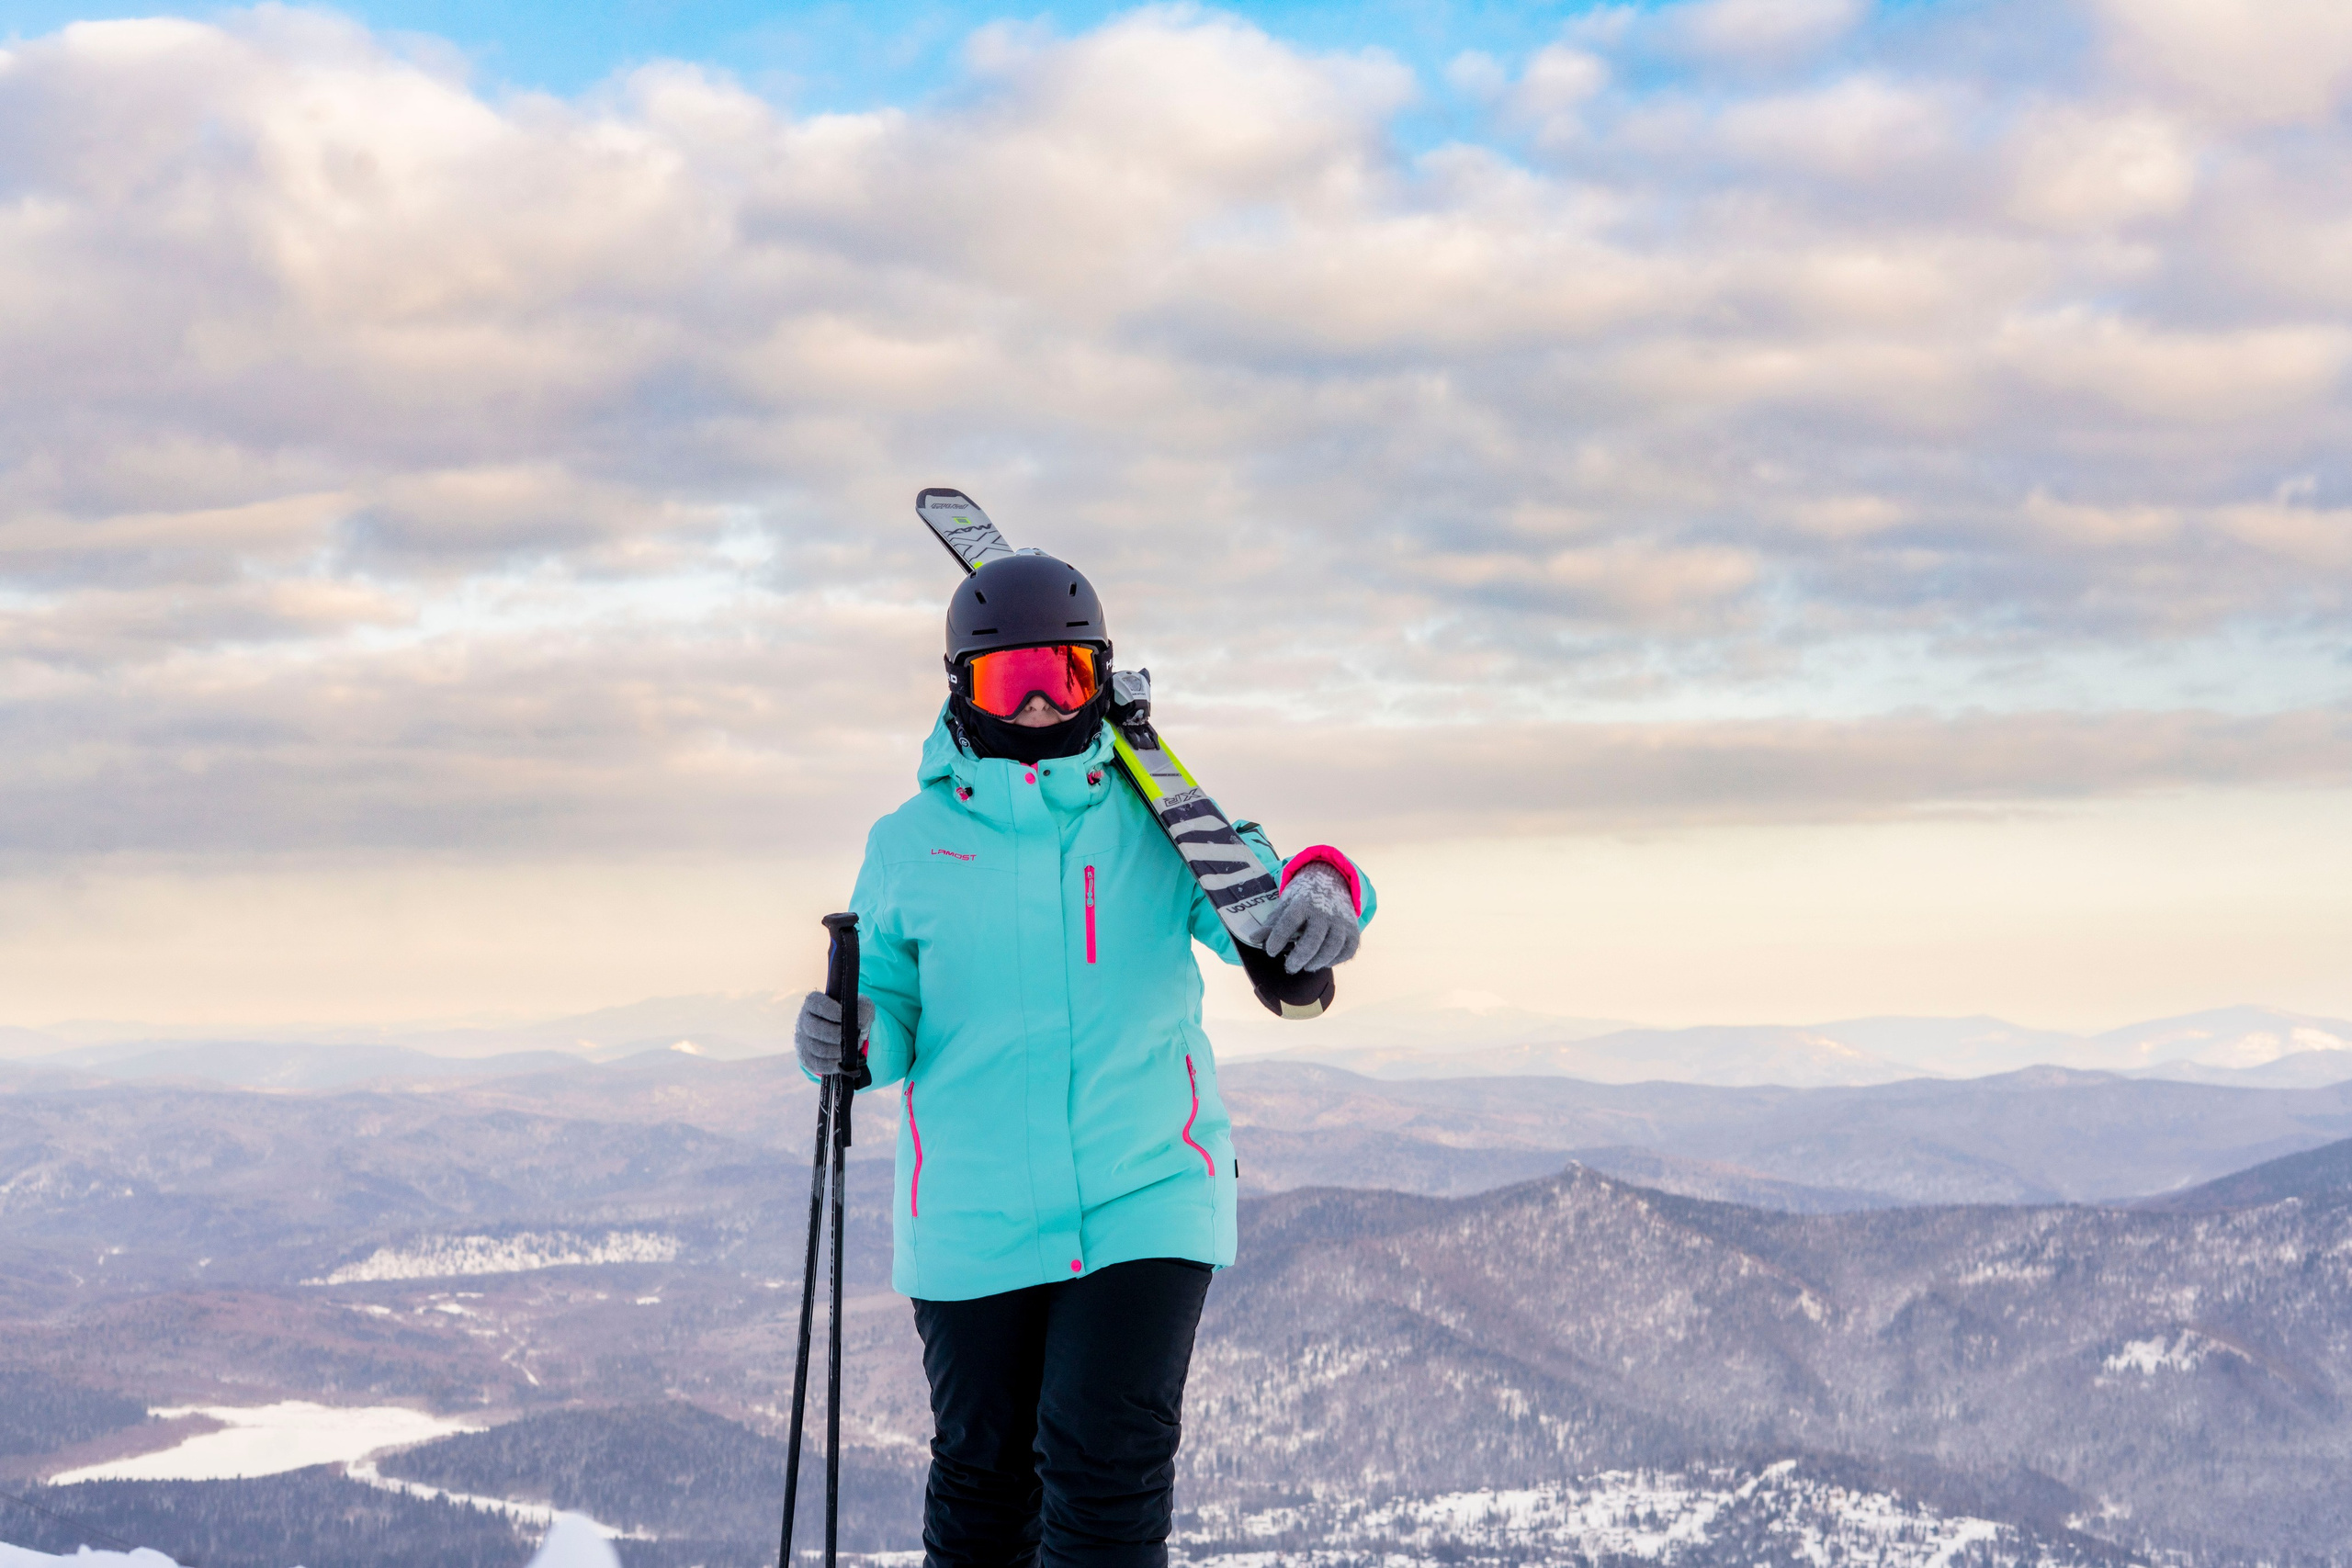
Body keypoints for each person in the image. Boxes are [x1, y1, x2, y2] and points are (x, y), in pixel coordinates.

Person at [793, 550, 1374, 1568]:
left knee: (1104, 1471)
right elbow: (888, 1008)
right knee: (983, 1485)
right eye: (998, 681)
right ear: (956, 691)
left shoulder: (1158, 817)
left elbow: (1268, 890)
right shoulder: (908, 843)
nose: (1027, 709)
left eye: (1056, 677)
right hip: (971, 1211)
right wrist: (849, 1037)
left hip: (1145, 1187)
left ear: (1099, 679)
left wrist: (1326, 888)